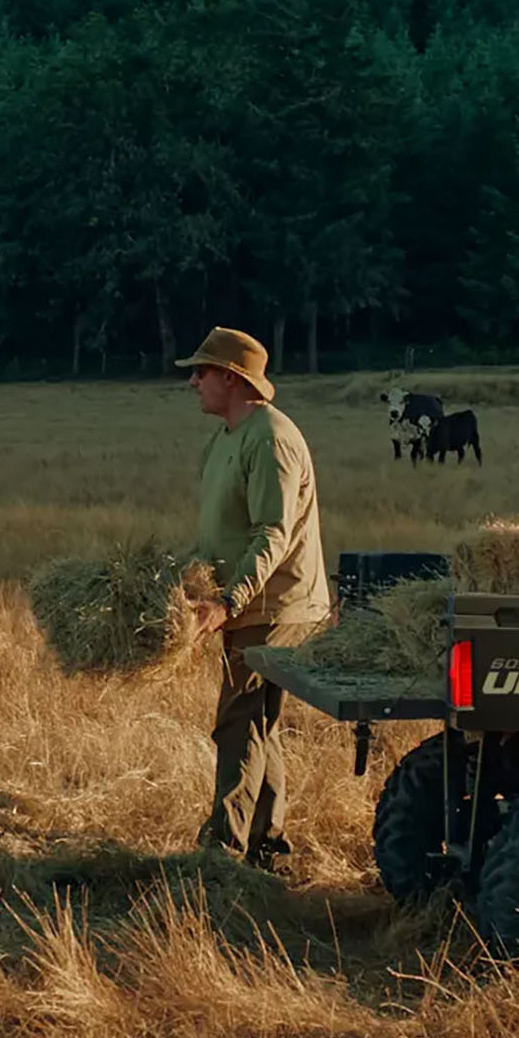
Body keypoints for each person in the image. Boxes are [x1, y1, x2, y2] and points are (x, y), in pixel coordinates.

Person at [175, 326, 331, 872]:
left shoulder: (270, 439)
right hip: (247, 603)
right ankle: (268, 846)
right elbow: (221, 532)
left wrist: (228, 603)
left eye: (202, 371)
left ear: (232, 379)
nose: (193, 381)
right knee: (255, 723)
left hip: (273, 607)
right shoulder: (228, 437)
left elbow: (273, 533)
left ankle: (225, 849)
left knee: (239, 721)